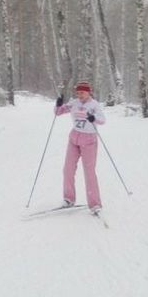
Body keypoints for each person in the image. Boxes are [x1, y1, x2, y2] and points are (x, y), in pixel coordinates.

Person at [54, 81, 106, 213]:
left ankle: (95, 204)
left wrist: (93, 118)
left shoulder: (94, 105)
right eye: (78, 93)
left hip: (89, 140)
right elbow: (58, 112)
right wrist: (58, 105)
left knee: (89, 173)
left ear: (89, 92)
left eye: (82, 92)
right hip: (74, 139)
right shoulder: (74, 103)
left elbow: (102, 120)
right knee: (67, 169)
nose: (80, 95)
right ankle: (68, 199)